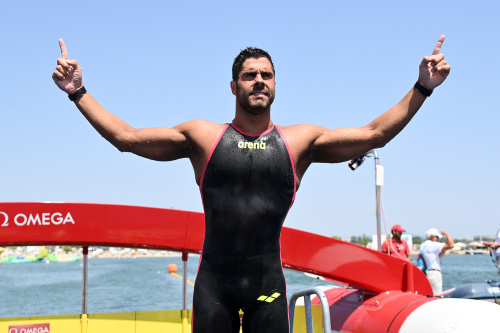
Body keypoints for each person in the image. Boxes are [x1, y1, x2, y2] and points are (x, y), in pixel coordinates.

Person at [52, 37, 450, 333]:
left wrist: (422, 89)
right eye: (249, 75)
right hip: (214, 290)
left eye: (266, 75)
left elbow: (374, 133)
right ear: (233, 86)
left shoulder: (299, 143)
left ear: (276, 85)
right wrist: (78, 93)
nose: (259, 81)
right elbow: (126, 137)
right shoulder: (204, 137)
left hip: (268, 290)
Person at [419, 228, 454, 295]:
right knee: (437, 296)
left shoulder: (423, 245)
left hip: (426, 273)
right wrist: (447, 234)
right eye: (437, 237)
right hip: (434, 273)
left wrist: (443, 250)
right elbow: (451, 245)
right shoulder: (432, 245)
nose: (438, 239)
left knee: (429, 295)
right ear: (432, 236)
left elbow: (438, 256)